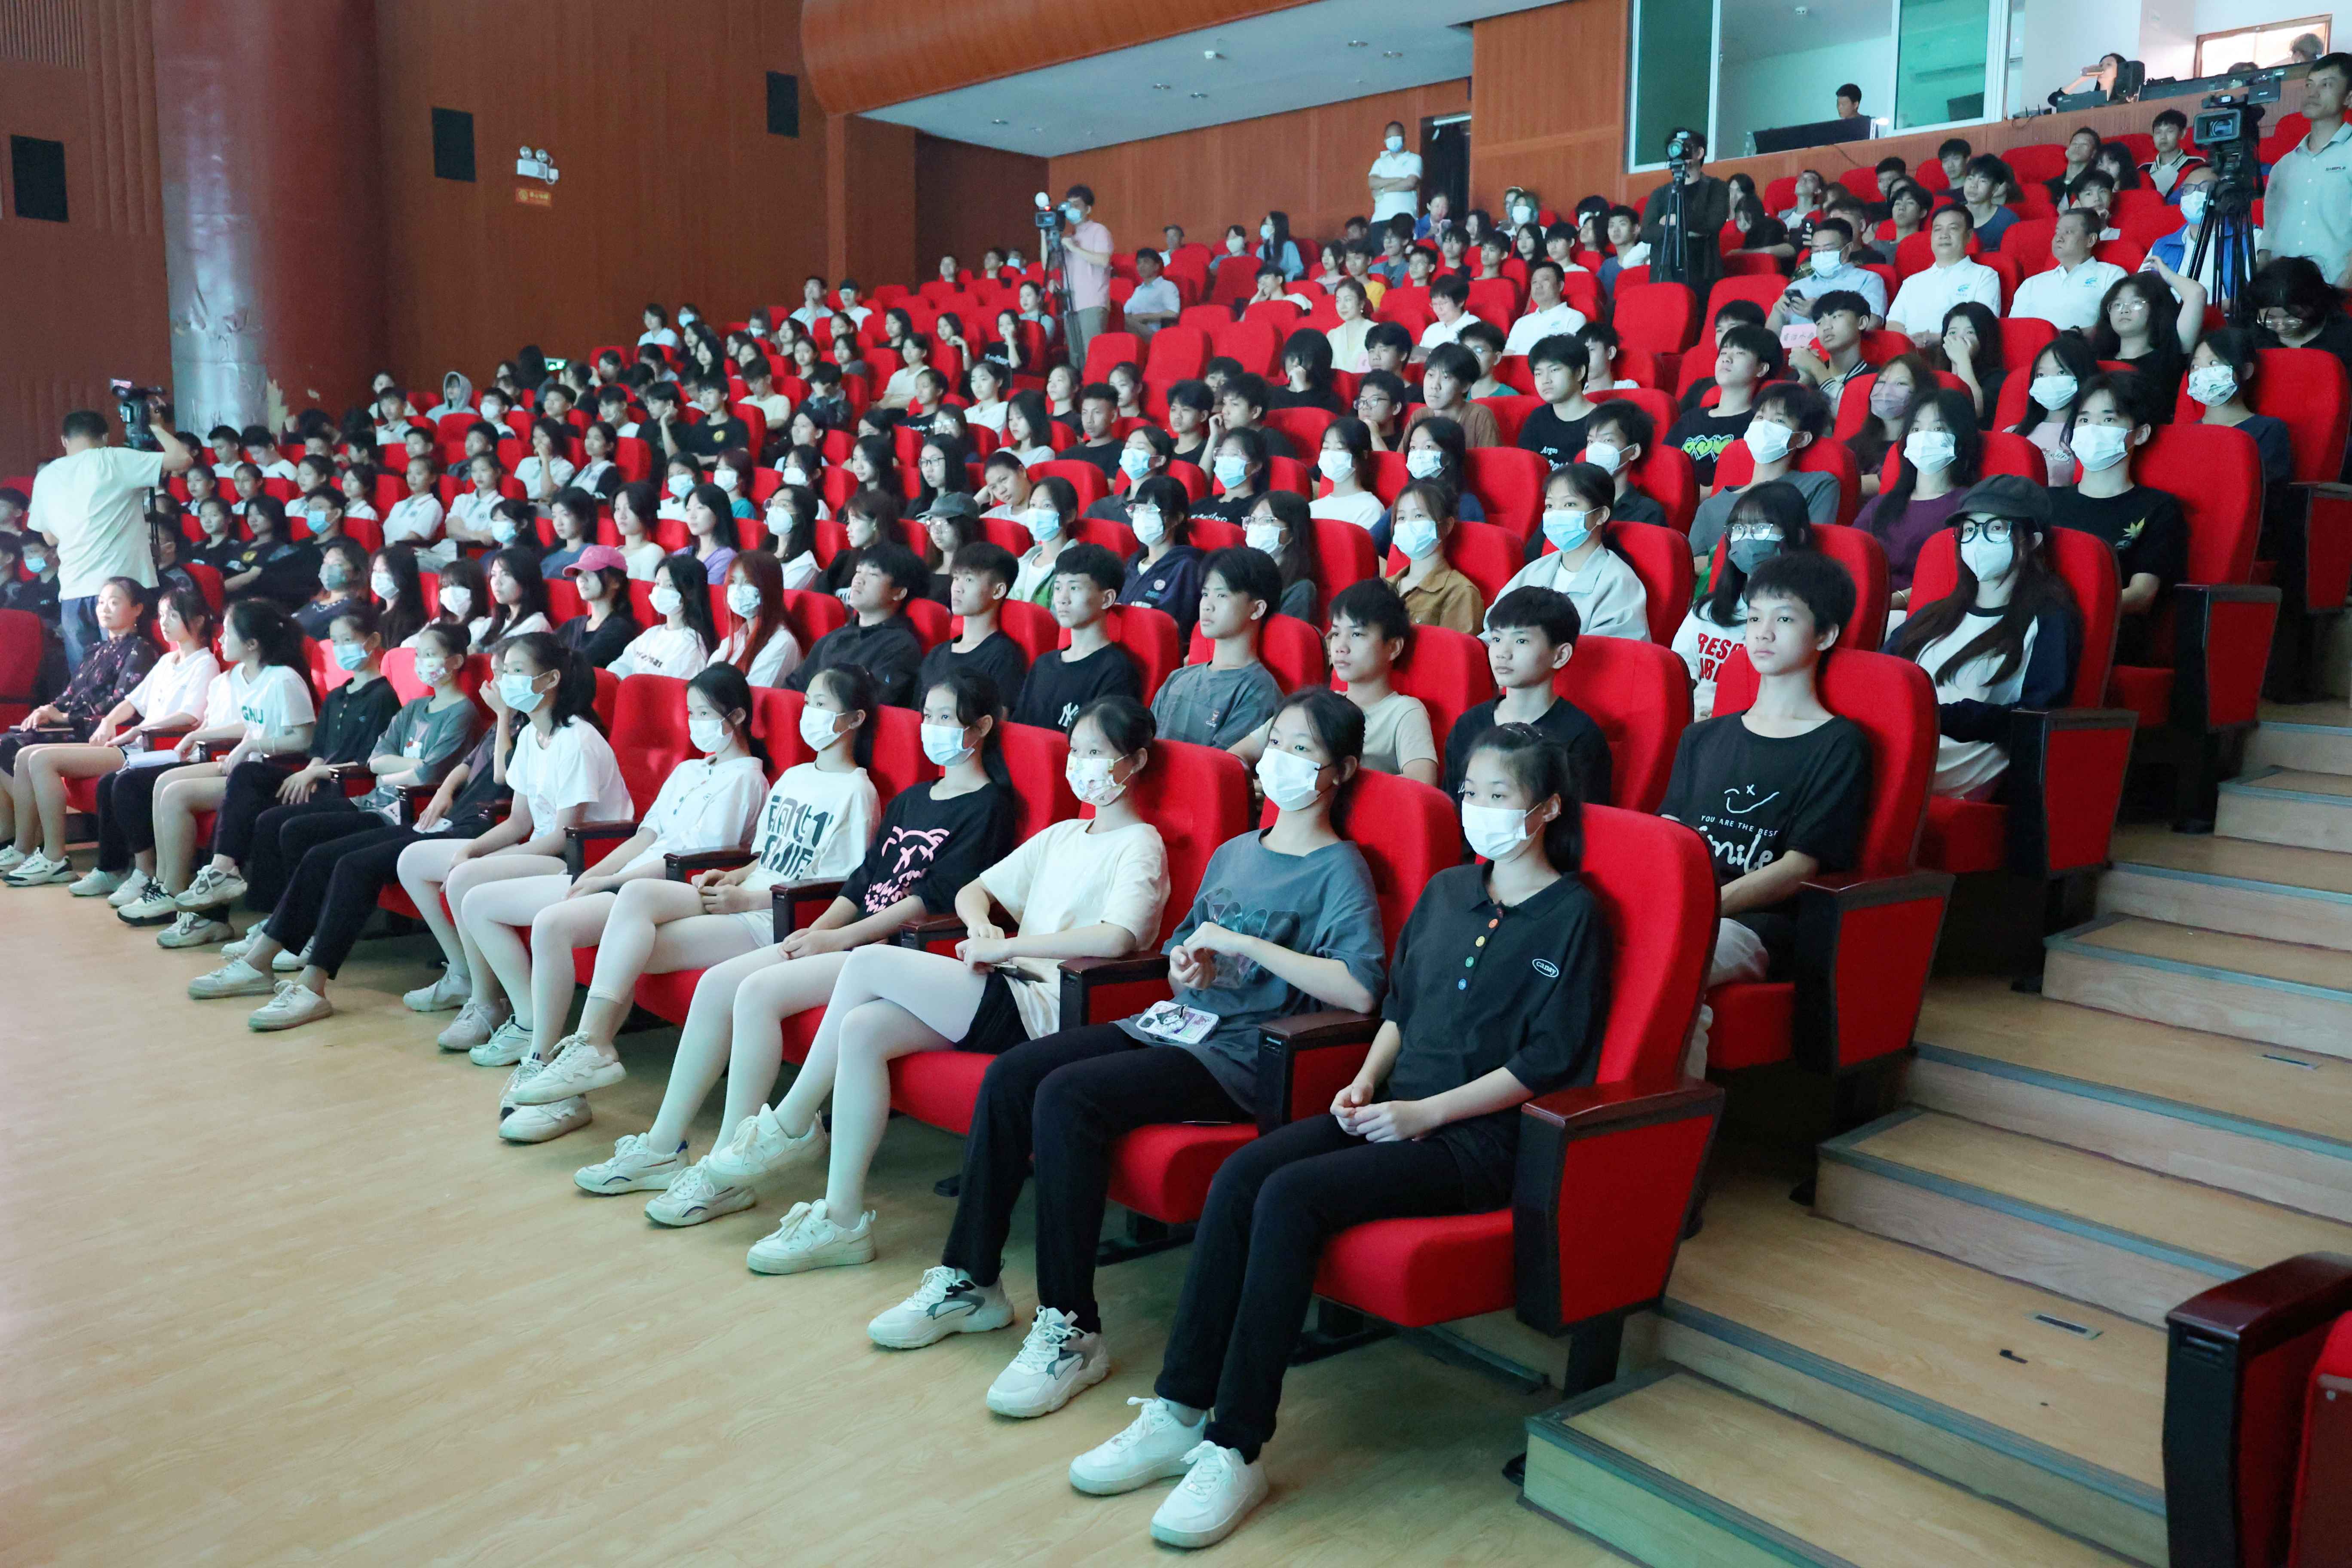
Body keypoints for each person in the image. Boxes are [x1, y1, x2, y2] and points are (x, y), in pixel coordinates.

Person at [1064, 719, 1605, 1548]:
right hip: (1392, 1107)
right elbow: (1399, 1010)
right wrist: (1366, 1079)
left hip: (1474, 1141)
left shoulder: (1575, 914)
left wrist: (1427, 1113)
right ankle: (1177, 1408)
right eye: (1470, 792)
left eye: (1499, 795)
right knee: (1242, 1176)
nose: (1479, 809)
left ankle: (1236, 1445)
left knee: (1290, 1196)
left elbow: (1547, 1060)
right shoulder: (1448, 891)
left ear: (1546, 808)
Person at [865, 686, 1384, 1435]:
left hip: (1242, 1055)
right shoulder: (1238, 851)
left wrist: (1244, 946)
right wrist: (1192, 965)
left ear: (1340, 770)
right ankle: (972, 1279)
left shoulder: (1340, 868)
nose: (1279, 760)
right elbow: (1183, 951)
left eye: (1301, 749)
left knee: (1068, 1096)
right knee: (1015, 1075)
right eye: (1276, 743)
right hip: (1175, 1022)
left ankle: (1072, 1328)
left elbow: (1360, 989)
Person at [713, 695, 1168, 1274]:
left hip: (1051, 1005)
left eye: (1097, 753)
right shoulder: (1064, 835)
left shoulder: (1141, 843)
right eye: (1075, 751)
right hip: (1004, 983)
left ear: (1135, 761)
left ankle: (791, 1122)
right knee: (863, 1028)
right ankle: (842, 1220)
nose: (1081, 765)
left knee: (869, 963)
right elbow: (975, 890)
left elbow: (1118, 938)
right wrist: (981, 923)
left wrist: (1008, 946)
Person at [551, 668, 1015, 1178]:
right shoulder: (912, 798)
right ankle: (664, 1145)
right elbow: (862, 881)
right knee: (718, 985)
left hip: (888, 953)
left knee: (755, 992)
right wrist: (821, 931)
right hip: (846, 936)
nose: (932, 728)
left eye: (945, 718)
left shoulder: (989, 806)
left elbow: (932, 898)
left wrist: (838, 938)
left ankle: (725, 1163)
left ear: (981, 726)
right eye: (927, 716)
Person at [450, 663, 774, 1072]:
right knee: (478, 903)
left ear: (738, 716)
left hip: (662, 890)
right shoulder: (688, 769)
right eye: (691, 713)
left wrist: (612, 883)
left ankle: (541, 1053)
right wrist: (594, 875)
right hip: (624, 877)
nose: (695, 723)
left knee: (551, 925)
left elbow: (691, 861)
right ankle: (521, 1021)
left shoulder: (747, 780)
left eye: (705, 713)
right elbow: (645, 837)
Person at [190, 626, 487, 1024]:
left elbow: (430, 772)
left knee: (344, 862)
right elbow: (377, 761)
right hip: (379, 802)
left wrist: (407, 771)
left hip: (414, 814)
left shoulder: (467, 714)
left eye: (430, 654)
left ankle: (304, 974)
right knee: (305, 842)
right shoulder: (417, 708)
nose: (422, 663)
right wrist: (409, 769)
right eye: (419, 655)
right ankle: (263, 956)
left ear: (456, 661)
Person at [1665, 549, 1869, 1075]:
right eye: (1754, 618)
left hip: (1758, 923)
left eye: (1785, 619)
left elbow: (1800, 867)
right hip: (1688, 905)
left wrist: (1705, 906)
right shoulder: (1702, 737)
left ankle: (1664, 1114)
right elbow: (1670, 835)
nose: (1763, 633)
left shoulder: (1838, 744)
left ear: (1825, 635)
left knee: (1667, 965)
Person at [399, 634, 635, 1052]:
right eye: (504, 671)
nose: (505, 680)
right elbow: (518, 822)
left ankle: (498, 1008)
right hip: (545, 847)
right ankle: (463, 977)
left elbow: (562, 836)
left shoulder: (578, 740)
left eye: (516, 671)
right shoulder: (529, 736)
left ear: (551, 680)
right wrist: (471, 850)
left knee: (466, 881)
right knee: (415, 860)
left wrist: (483, 862)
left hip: (581, 861)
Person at [164, 601, 404, 928]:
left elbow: (370, 760)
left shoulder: (384, 697)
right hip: (314, 778)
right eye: (336, 642)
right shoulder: (338, 695)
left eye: (348, 640)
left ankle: (269, 920)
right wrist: (310, 771)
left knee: (266, 818)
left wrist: (314, 771)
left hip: (346, 787)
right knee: (246, 777)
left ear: (373, 641)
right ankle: (222, 873)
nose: (341, 649)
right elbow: (320, 748)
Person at [110, 598, 317, 934]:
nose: (221, 638)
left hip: (276, 772)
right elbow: (251, 726)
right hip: (250, 764)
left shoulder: (283, 679)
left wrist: (251, 745)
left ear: (252, 644)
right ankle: (163, 884)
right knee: (163, 783)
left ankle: (175, 889)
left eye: (229, 633)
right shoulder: (243, 676)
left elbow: (304, 740)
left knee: (178, 795)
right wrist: (202, 735)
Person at [4, 585, 216, 894]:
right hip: (136, 743)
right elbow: (132, 701)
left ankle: (55, 857)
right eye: (161, 616)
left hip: (158, 748)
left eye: (173, 615)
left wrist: (137, 730)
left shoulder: (204, 663)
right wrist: (109, 721)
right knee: (26, 755)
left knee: (41, 759)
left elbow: (190, 717)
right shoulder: (168, 661)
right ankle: (24, 848)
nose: (164, 623)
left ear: (197, 621)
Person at [1885, 477, 2079, 799]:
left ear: (2032, 541)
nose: (1979, 541)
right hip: (1904, 735)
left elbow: (2036, 715)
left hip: (1965, 755)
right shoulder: (1935, 614)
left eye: (1996, 528)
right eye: (1970, 530)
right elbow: (1884, 675)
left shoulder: (2047, 620)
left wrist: (1938, 716)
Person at [0, 577, 159, 882]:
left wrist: (62, 717)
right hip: (74, 722)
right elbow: (70, 694)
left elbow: (121, 702)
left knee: (16, 747)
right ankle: (16, 841)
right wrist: (47, 710)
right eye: (101, 603)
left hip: (98, 729)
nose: (105, 609)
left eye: (114, 602)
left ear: (138, 609)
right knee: (5, 743)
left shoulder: (140, 650)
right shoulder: (96, 649)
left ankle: (43, 850)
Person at [25, 404, 193, 672]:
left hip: (73, 593)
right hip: (121, 591)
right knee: (125, 677)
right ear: (104, 437)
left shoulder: (46, 476)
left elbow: (50, 538)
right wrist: (154, 425)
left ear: (64, 440)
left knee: (85, 681)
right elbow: (183, 459)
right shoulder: (115, 459)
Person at [2044, 373, 2188, 663]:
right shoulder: (2046, 501)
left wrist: (2071, 610)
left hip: (2106, 631)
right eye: (2084, 420)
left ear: (2141, 434)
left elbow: (2142, 595)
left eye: (2108, 419)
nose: (2092, 429)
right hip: (2037, 625)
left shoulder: (2158, 508)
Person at [1673, 481, 1816, 720]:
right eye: (1739, 529)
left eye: (1761, 528)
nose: (1747, 538)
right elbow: (1679, 675)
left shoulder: (1803, 618)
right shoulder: (1707, 610)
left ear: (1797, 536)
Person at [1490, 462, 1650, 643]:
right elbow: (1493, 630)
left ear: (1601, 515)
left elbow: (1615, 652)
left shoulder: (1619, 581)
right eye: (1550, 505)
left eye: (1569, 504)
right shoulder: (1533, 571)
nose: (1556, 514)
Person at [1856, 388, 1982, 609]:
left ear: (1961, 439)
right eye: (1916, 429)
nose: (1923, 437)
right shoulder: (1881, 504)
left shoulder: (1970, 508)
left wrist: (1889, 603)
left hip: (1921, 611)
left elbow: (1954, 580)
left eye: (1938, 429)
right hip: (1866, 603)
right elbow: (1852, 559)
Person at [1688, 381, 1838, 566]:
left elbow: (1806, 554)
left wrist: (1717, 561)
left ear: (1802, 439)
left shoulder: (1818, 486)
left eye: (1779, 421)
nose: (1764, 425)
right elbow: (1690, 567)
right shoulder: (1711, 507)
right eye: (1760, 417)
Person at [1149, 548, 1284, 750]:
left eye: (1222, 595)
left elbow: (1221, 765)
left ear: (1256, 609)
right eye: (1205, 594)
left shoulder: (1259, 692)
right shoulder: (1178, 678)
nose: (1207, 605)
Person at [1015, 545, 1144, 732]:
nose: (1062, 599)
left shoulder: (1117, 671)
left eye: (1074, 588)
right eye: (1058, 588)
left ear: (1107, 599)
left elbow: (1105, 741)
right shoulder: (1043, 664)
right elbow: (1020, 730)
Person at [786, 544, 928, 708]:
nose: (858, 580)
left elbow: (871, 703)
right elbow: (794, 687)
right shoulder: (835, 637)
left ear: (899, 592)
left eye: (873, 574)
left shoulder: (901, 646)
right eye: (859, 571)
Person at [2259, 53, 2352, 287]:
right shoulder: (2284, 166)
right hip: (2282, 291)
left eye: (2326, 85)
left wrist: (2343, 289)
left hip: (2336, 291)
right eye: (2309, 85)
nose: (2313, 93)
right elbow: (2269, 238)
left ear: (2349, 97)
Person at [1665, 323, 1778, 488]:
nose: (1726, 359)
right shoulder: (1690, 419)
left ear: (1761, 369)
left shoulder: (1758, 425)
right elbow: (1666, 470)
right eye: (1724, 353)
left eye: (1740, 353)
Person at [921, 541, 1032, 700]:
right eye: (956, 578)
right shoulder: (937, 654)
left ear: (998, 591)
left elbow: (998, 714)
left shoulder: (1004, 656)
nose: (957, 588)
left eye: (969, 580)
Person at [2090, 268, 2206, 412]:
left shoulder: (2170, 356)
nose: (2124, 310)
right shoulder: (2097, 360)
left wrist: (2166, 274)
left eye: (2136, 303)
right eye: (2117, 304)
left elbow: (2197, 294)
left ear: (2156, 310)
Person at [1885, 205, 2001, 342]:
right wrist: (1912, 343)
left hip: (1958, 352)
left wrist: (1935, 340)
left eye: (1953, 229)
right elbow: (1893, 324)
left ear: (1969, 236)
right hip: (1911, 352)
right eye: (1938, 229)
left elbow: (1982, 326)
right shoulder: (1912, 282)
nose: (1944, 235)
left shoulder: (1985, 276)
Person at [1383, 481, 1481, 634]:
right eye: (1401, 518)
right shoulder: (1383, 587)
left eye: (1418, 516)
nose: (1407, 524)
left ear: (1447, 526)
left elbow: (1453, 648)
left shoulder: (1460, 592)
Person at [1638, 129, 1728, 293]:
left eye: (1685, 147)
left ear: (1699, 153)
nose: (1679, 152)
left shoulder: (1716, 187)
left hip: (1703, 275)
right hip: (1664, 276)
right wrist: (1688, 229)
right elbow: (1646, 233)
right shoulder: (1660, 193)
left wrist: (1671, 220)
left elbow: (1713, 224)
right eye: (1674, 147)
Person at [2012, 211, 2129, 333]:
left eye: (2068, 232)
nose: (2059, 238)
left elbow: (2114, 327)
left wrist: (2069, 335)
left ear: (2091, 240)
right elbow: (2015, 331)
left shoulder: (2111, 275)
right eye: (2057, 232)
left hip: (2084, 344)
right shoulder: (2031, 284)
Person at [2010, 335, 2102, 485]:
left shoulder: (2092, 434)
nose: (2049, 382)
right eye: (2041, 375)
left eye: (2061, 373)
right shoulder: (2013, 433)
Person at [712, 551, 803, 686]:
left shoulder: (782, 643)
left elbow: (753, 693)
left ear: (768, 588)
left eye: (748, 582)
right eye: (733, 582)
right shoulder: (736, 638)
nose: (737, 590)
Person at [1055, 186, 1115, 373]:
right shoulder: (1068, 237)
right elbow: (1047, 264)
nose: (1071, 210)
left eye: (1077, 205)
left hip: (1092, 302)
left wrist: (1074, 248)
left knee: (1093, 355)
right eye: (1069, 205)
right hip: (1070, 304)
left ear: (1088, 209)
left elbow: (1103, 260)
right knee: (1076, 358)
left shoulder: (1099, 231)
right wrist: (1045, 232)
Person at [1788, 290, 1875, 412]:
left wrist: (1817, 369)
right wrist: (1805, 381)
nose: (1826, 327)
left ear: (1862, 323)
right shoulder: (1807, 373)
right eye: (1820, 323)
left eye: (1836, 317)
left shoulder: (1875, 378)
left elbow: (1852, 415)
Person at [1241, 491, 1320, 623]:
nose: (1256, 527)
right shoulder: (1243, 572)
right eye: (1253, 520)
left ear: (1292, 533)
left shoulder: (1300, 588)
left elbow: (1287, 634)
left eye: (1267, 521)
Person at [1501, 260, 1589, 359]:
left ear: (1560, 286)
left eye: (1545, 280)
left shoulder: (1574, 317)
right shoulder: (1521, 323)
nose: (1538, 286)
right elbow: (1508, 359)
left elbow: (1569, 358)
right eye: (1534, 282)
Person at [1368, 122, 1421, 226]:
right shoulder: (1380, 162)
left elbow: (1410, 183)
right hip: (1379, 219)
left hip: (1405, 218)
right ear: (1385, 141)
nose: (1393, 140)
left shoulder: (1414, 159)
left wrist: (1383, 190)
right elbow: (1372, 183)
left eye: (1396, 137)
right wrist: (1399, 180)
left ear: (1404, 137)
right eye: (1389, 138)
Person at [1124, 249, 1181, 339]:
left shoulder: (1167, 286)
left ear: (1156, 266)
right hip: (1134, 329)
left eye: (1146, 262)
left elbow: (1173, 313)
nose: (1141, 266)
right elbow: (1126, 312)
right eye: (1139, 263)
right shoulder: (1138, 290)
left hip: (1154, 333)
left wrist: (1145, 317)